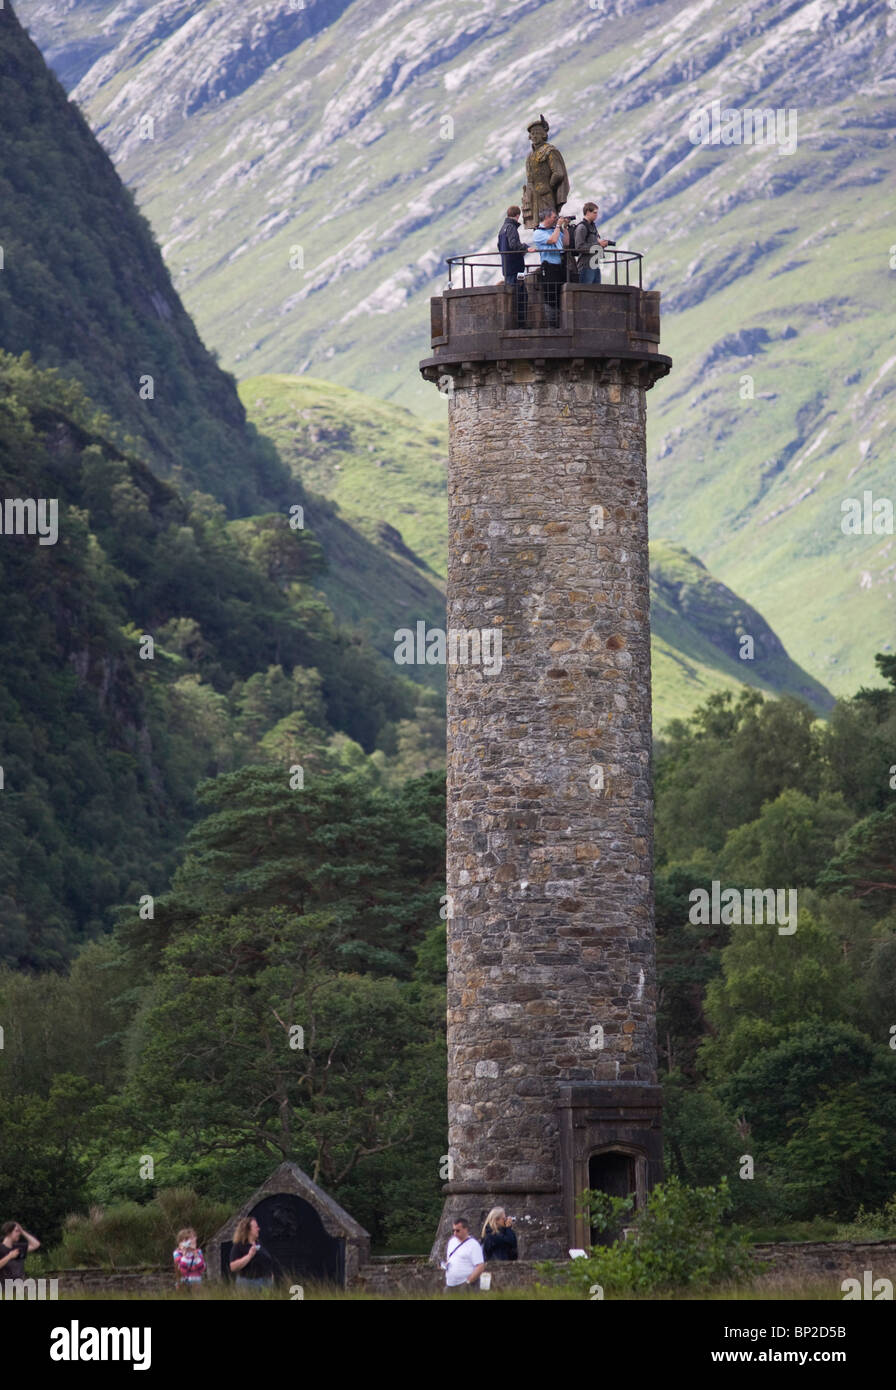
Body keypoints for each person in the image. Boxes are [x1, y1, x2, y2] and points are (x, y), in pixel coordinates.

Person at [532, 208, 571, 326]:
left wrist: (565, 227)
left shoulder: (555, 230)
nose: (555, 219)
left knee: (560, 294)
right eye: (554, 217)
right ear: (547, 218)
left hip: (559, 265)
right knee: (550, 296)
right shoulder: (538, 233)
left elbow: (566, 243)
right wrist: (558, 226)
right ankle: (551, 324)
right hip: (548, 267)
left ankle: (560, 322)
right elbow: (553, 240)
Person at [497, 205, 528, 326]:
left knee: (512, 294)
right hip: (515, 268)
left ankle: (515, 323)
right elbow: (514, 245)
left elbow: (500, 247)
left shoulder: (502, 229)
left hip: (507, 267)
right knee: (520, 296)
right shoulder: (511, 228)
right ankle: (519, 324)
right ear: (517, 216)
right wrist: (525, 247)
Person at [229, 1216, 275, 1292]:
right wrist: (249, 1256)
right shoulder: (239, 1246)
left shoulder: (259, 1243)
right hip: (249, 1284)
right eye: (256, 1227)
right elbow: (233, 1267)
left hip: (266, 1283)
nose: (258, 1229)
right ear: (249, 1230)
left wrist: (271, 1276)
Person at [443, 1217, 485, 1292]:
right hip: (450, 1284)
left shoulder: (473, 1245)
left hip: (465, 1285)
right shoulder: (451, 1242)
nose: (455, 1233)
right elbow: (450, 1259)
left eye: (457, 1230)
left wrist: (468, 1282)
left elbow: (480, 1266)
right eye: (453, 1230)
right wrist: (445, 1265)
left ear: (465, 1229)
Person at [575, 202, 611, 285]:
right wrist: (599, 245)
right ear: (587, 212)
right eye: (594, 213)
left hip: (595, 265)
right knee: (586, 292)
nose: (596, 215)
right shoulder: (582, 227)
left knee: (596, 292)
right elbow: (579, 247)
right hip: (586, 266)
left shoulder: (593, 227)